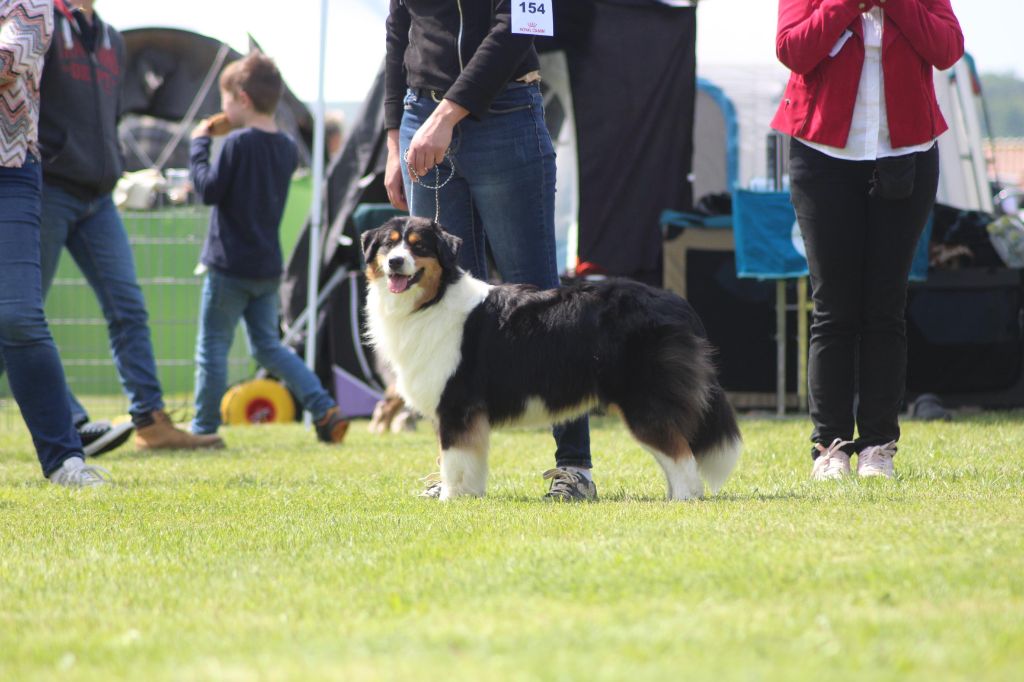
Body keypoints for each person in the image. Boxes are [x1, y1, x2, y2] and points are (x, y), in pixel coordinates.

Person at [384, 0, 596, 500]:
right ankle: (457, 474)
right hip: (422, 123)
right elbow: (398, 35)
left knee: (541, 301)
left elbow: (521, 26)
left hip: (505, 118)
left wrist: (445, 116)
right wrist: (395, 140)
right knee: (446, 315)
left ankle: (575, 468)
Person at [0, 0, 225, 454]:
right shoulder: (41, 19)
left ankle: (150, 420)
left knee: (128, 307)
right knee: (19, 316)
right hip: (46, 188)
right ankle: (73, 422)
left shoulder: (112, 40)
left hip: (101, 196)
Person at [771, 0, 963, 479]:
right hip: (821, 155)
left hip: (907, 155)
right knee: (833, 307)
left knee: (885, 305)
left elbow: (947, 48)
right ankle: (830, 448)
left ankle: (879, 446)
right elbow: (792, 49)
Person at [188, 51, 349, 444]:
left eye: (225, 100)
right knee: (269, 347)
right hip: (266, 268)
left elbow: (208, 190)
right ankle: (323, 406)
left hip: (228, 267)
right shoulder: (287, 147)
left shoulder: (236, 143)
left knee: (212, 348)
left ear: (241, 99)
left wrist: (198, 146)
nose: (222, 109)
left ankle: (203, 429)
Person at [1, 0, 109, 486]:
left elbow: (11, 57)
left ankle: (65, 460)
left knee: (19, 314)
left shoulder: (33, 4)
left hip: (13, 168)